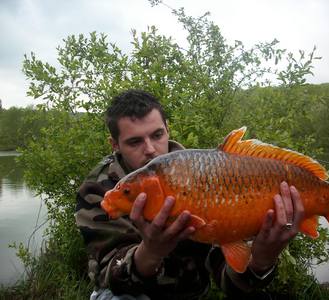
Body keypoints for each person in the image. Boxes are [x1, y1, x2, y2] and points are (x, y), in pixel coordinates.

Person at [75, 89, 304, 300]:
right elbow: (110, 278)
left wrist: (263, 260)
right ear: (114, 145)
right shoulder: (100, 190)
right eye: (135, 141)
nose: (150, 149)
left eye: (157, 135)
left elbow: (231, 283)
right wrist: (150, 252)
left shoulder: (202, 175)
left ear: (168, 129)